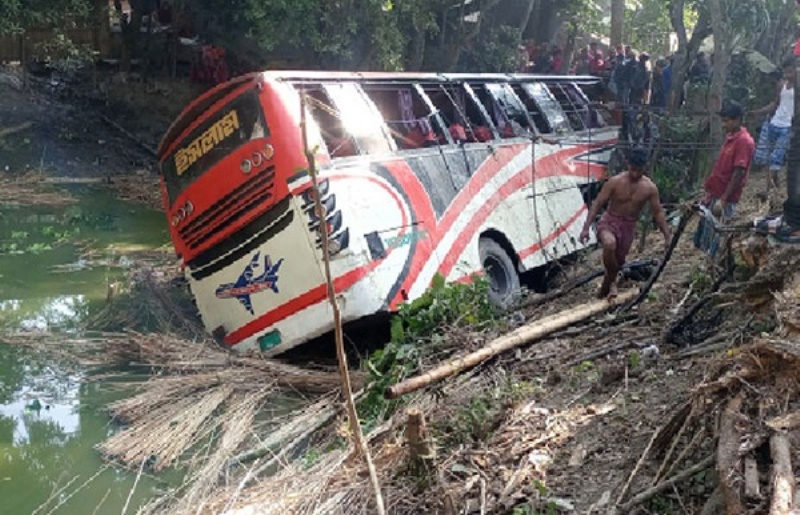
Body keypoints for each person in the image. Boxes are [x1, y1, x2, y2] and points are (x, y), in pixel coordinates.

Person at [579, 148, 671, 300]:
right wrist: (585, 228)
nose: (635, 174)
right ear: (628, 165)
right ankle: (613, 283)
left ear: (644, 168)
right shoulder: (615, 181)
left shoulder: (649, 188)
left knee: (618, 262)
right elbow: (597, 203)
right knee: (609, 244)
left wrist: (667, 236)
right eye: (632, 169)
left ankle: (604, 292)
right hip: (609, 221)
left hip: (628, 226)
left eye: (638, 170)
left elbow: (658, 213)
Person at [694, 101, 755, 258]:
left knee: (717, 238)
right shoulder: (731, 137)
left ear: (737, 120)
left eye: (727, 121)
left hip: (724, 198)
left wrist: (724, 200)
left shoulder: (744, 141)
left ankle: (712, 270)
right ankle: (705, 268)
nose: (723, 125)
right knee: (706, 237)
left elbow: (739, 172)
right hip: (716, 194)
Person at [748, 61, 795, 195]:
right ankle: (773, 187)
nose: (788, 75)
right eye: (786, 72)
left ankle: (768, 191)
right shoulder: (782, 86)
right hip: (775, 123)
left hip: (788, 126)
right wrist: (758, 112)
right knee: (769, 158)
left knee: (776, 157)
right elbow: (775, 104)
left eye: (790, 71)